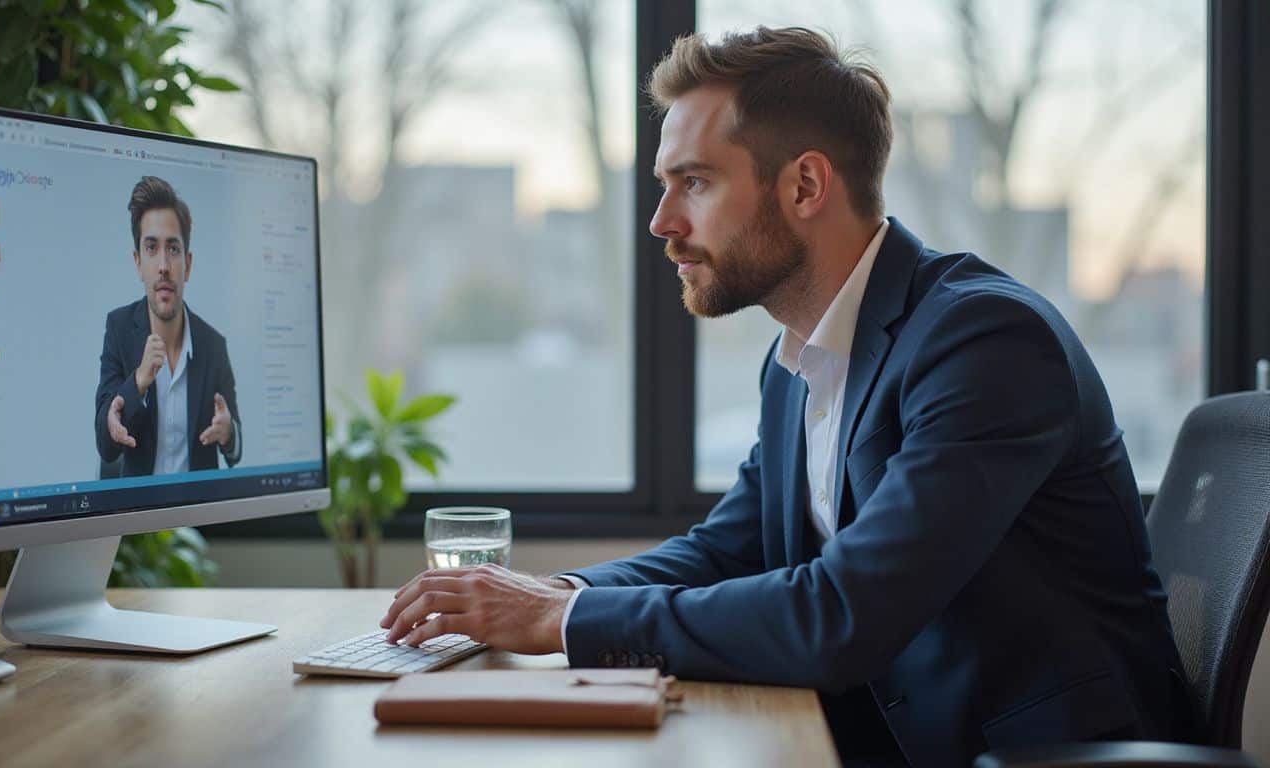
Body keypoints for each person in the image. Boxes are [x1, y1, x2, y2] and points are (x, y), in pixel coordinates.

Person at [379, 27, 1193, 765]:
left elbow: (843, 615)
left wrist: (556, 624)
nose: (661, 221)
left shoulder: (983, 343)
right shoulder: (798, 359)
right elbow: (726, 551)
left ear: (805, 185)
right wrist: (564, 594)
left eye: (693, 182)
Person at [95, 175, 242, 477]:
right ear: (138, 263)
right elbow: (106, 445)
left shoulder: (214, 345)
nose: (163, 265)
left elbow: (235, 449)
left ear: (187, 264)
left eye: (173, 249)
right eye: (151, 248)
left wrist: (228, 433)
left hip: (193, 515)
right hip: (137, 517)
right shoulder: (119, 328)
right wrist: (138, 381)